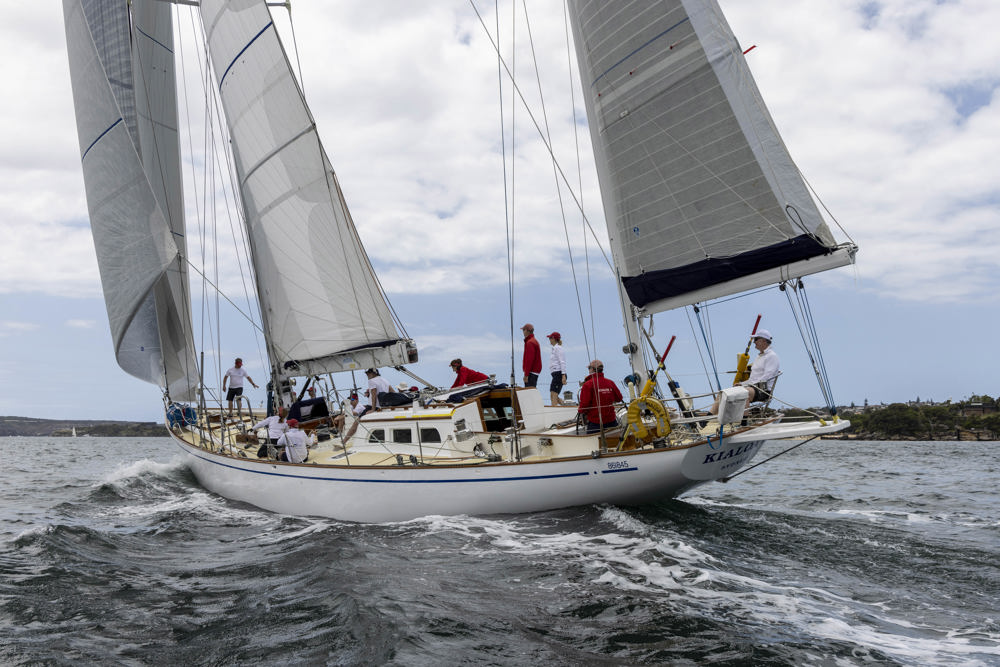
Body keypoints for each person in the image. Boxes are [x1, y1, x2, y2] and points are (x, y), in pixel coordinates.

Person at [711, 329, 781, 413]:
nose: (754, 342)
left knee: (744, 393)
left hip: (763, 391)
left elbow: (766, 377)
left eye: (756, 339)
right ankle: (705, 420)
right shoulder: (759, 357)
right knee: (722, 394)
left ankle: (743, 422)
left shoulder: (772, 356)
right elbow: (753, 379)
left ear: (763, 341)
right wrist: (742, 384)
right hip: (752, 388)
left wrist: (746, 385)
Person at [578, 359, 623, 433]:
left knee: (592, 443)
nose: (588, 370)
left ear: (592, 369)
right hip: (612, 421)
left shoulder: (587, 385)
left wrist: (580, 411)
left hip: (595, 424)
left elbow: (584, 405)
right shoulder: (610, 383)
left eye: (589, 368)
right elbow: (619, 398)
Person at [547, 332, 568, 405]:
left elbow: (562, 362)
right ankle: (565, 405)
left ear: (554, 339)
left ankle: (554, 412)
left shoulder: (558, 348)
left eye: (550, 338)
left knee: (553, 395)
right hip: (556, 375)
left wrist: (563, 375)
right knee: (552, 395)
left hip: (559, 374)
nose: (549, 340)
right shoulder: (554, 348)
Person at [521, 323, 541, 388]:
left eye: (523, 330)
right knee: (532, 392)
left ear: (527, 331)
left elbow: (529, 360)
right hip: (534, 371)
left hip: (531, 372)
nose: (523, 332)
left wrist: (526, 375)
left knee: (529, 393)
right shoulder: (534, 341)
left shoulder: (530, 342)